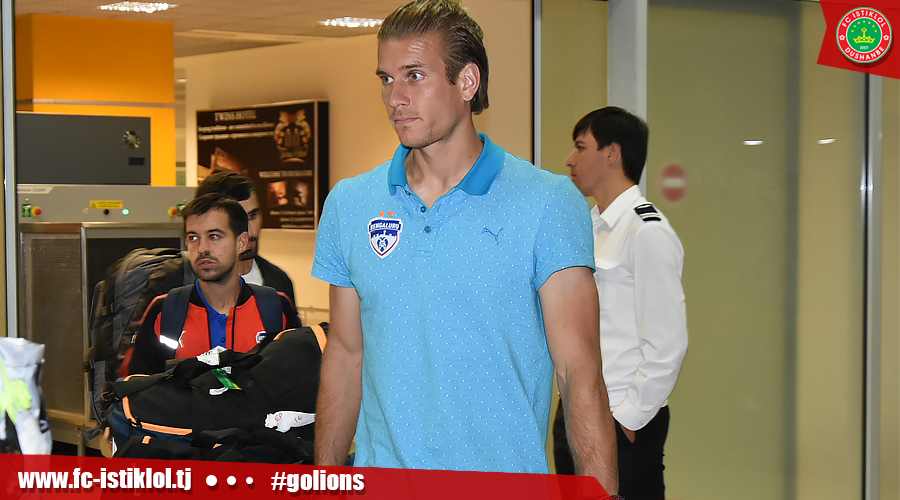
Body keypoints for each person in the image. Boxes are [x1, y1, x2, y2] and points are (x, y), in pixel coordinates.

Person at [311, 0, 618, 493]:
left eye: (414, 75)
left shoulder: (546, 203)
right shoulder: (350, 204)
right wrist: (324, 483)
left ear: (468, 82)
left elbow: (579, 371)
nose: (395, 97)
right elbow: (346, 356)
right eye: (386, 78)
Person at [555, 106, 688, 500]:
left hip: (620, 422)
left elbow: (667, 344)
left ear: (612, 153)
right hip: (577, 414)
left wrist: (628, 420)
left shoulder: (645, 231)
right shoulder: (588, 228)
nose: (570, 159)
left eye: (581, 147)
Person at [123, 194, 300, 375]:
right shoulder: (164, 312)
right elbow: (140, 386)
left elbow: (299, 381)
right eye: (193, 238)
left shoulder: (276, 309)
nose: (202, 249)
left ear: (241, 243)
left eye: (214, 236)